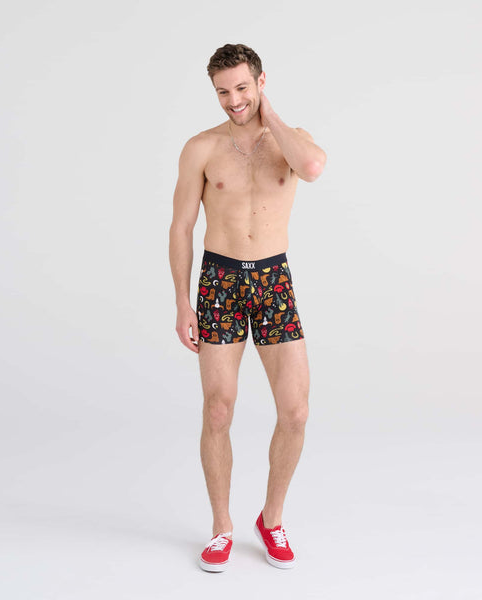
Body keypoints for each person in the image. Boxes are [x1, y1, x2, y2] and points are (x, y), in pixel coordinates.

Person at [168, 43, 326, 571]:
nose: (233, 100)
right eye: (223, 92)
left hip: (272, 279)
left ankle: (271, 519)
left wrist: (269, 115)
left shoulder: (290, 140)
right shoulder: (201, 147)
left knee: (296, 411)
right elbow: (181, 227)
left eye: (241, 87)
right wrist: (182, 302)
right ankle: (221, 527)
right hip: (220, 280)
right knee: (218, 408)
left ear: (260, 81)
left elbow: (313, 167)